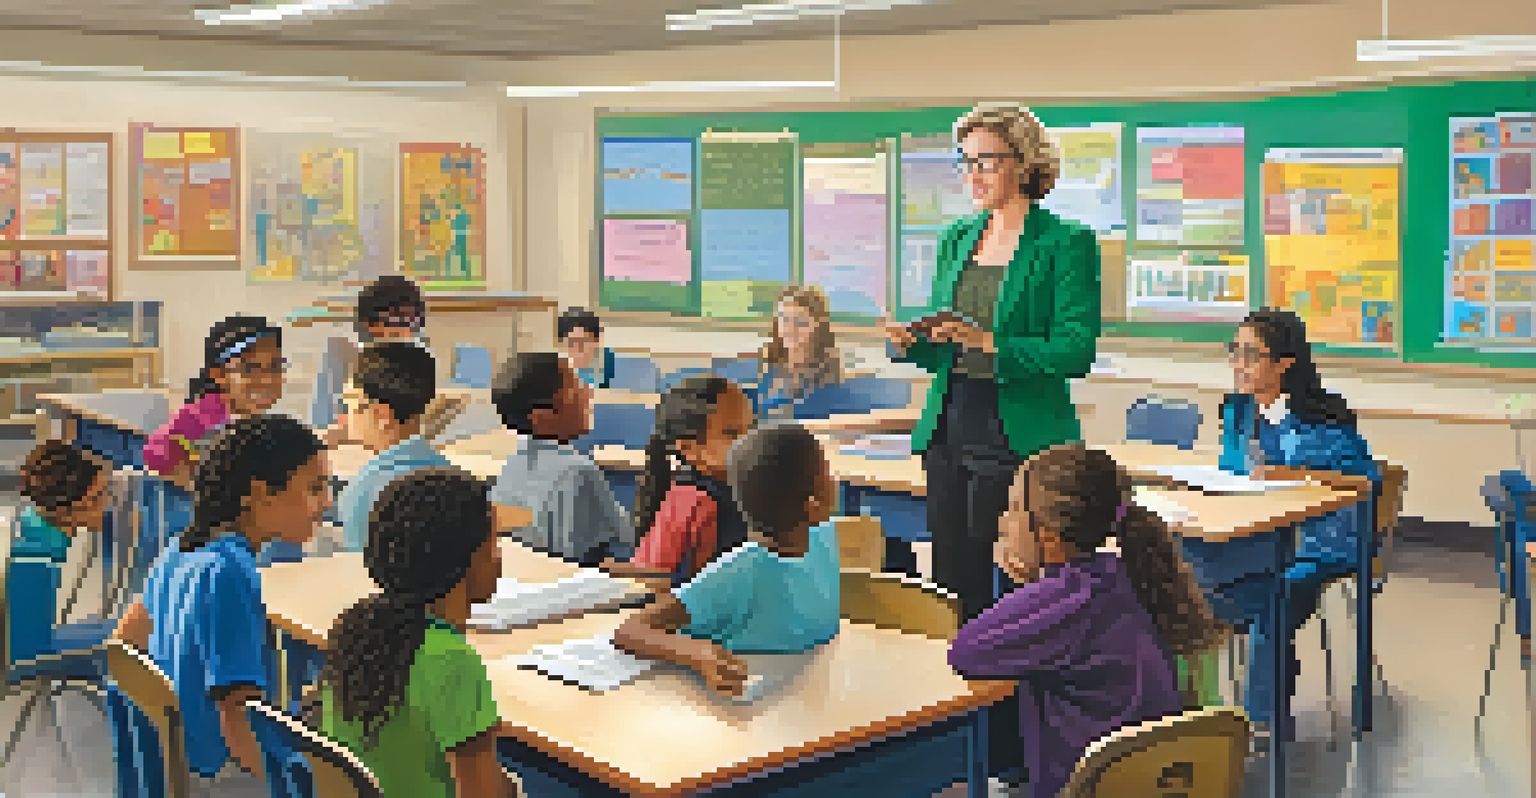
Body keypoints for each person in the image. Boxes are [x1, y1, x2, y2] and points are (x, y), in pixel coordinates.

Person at [882, 105, 1101, 625]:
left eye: (987, 161)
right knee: (953, 577)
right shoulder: (956, 237)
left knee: (1008, 588)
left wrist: (991, 343)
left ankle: (1004, 701)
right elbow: (950, 345)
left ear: (1024, 163)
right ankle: (958, 696)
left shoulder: (1065, 242)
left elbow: (1075, 350)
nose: (972, 175)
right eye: (966, 162)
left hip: (1017, 431)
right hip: (949, 422)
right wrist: (913, 343)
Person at [949, 444, 1224, 798]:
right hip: (1156, 784)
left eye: (1015, 509)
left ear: (1047, 534)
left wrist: (1033, 586)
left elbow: (966, 650)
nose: (1002, 521)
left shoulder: (1065, 598)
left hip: (1090, 787)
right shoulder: (1128, 570)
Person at [1179, 307, 1381, 749]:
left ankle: (1262, 722)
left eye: (1251, 355)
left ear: (1285, 362)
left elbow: (1366, 482)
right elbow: (1238, 472)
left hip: (1324, 540)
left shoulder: (1322, 416)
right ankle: (1179, 716)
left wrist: (1296, 474)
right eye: (1235, 352)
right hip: (1258, 535)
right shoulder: (1237, 411)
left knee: (1274, 594)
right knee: (1182, 582)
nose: (1238, 364)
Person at [115, 415, 331, 792]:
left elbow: (124, 643)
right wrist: (285, 786)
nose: (327, 503)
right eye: (315, 488)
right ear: (261, 493)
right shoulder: (230, 572)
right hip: (224, 774)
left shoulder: (180, 550)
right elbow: (237, 715)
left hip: (182, 761)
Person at [319, 469, 518, 798]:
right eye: (494, 542)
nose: (499, 556)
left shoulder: (355, 630)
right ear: (465, 559)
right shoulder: (453, 662)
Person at [613, 423, 840, 696]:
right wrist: (699, 654)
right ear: (813, 505)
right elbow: (630, 631)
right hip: (740, 707)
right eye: (827, 471)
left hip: (809, 688)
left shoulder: (823, 536)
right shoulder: (738, 572)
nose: (835, 477)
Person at [601, 376, 755, 586]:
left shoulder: (743, 489)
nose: (749, 440)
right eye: (732, 433)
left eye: (752, 428)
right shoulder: (692, 500)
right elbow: (653, 583)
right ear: (688, 449)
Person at [489, 352, 633, 565]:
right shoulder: (578, 472)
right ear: (543, 418)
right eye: (575, 391)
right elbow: (626, 542)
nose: (587, 393)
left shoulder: (512, 462)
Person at [335, 342, 455, 553]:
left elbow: (359, 571)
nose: (343, 417)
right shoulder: (453, 474)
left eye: (349, 404)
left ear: (381, 415)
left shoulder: (363, 490)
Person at [144, 316, 285, 489]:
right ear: (219, 374)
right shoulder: (193, 430)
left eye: (274, 367)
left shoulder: (252, 424)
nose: (266, 379)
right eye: (250, 369)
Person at [11, 441, 113, 664]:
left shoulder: (32, 525)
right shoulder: (35, 559)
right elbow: (27, 654)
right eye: (97, 498)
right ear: (64, 511)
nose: (107, 505)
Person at [313, 274, 431, 440]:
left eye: (414, 320)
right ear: (370, 321)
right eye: (398, 319)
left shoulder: (415, 354)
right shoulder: (343, 352)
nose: (408, 329)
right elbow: (322, 422)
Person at [755, 285, 842, 419]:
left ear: (817, 325)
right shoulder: (769, 362)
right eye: (785, 319)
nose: (790, 328)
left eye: (800, 321)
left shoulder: (827, 367)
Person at [558, 306, 615, 389]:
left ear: (596, 341)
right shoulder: (559, 366)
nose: (578, 349)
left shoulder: (610, 360)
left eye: (583, 342)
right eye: (571, 344)